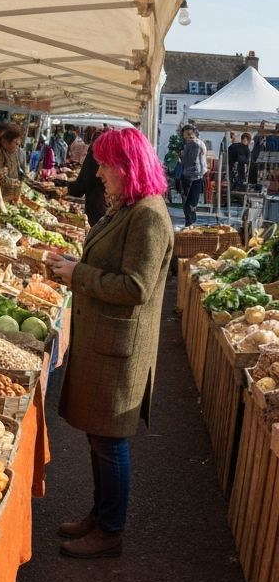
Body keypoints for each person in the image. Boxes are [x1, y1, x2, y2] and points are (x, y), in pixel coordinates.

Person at [47, 127, 172, 559]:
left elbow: (136, 286)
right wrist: (73, 265)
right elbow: (113, 266)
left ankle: (111, 529)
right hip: (105, 338)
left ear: (126, 166)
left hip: (120, 346)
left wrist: (77, 275)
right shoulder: (130, 208)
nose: (98, 172)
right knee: (98, 438)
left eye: (104, 164)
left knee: (111, 440)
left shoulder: (150, 216)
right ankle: (99, 515)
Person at [67, 129, 108, 226]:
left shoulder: (94, 156)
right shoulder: (105, 156)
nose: (99, 173)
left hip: (95, 206)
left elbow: (81, 185)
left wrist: (67, 187)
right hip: (103, 206)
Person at [179, 125, 207, 227]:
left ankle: (190, 223)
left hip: (191, 176)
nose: (189, 136)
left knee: (188, 202)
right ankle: (190, 223)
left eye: (190, 133)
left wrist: (181, 155)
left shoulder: (194, 143)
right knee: (192, 202)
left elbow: (191, 161)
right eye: (187, 134)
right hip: (198, 176)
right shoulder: (199, 142)